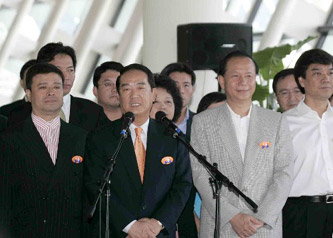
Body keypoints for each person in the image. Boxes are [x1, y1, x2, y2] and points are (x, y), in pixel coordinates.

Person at [190, 51, 294, 238]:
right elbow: (200, 175)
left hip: (263, 227)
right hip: (220, 225)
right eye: (235, 76)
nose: (243, 82)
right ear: (222, 81)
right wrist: (233, 216)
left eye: (248, 76)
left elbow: (284, 172)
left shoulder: (276, 121)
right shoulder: (202, 122)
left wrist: (263, 217)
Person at [84, 63, 192, 238]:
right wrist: (131, 226)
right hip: (118, 233)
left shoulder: (172, 137)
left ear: (153, 94)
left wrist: (157, 224)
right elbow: (95, 186)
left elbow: (182, 185)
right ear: (119, 96)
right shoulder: (100, 138)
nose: (134, 95)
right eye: (126, 89)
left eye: (141, 87)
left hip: (159, 233)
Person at [0, 63, 87, 238]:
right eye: (42, 87)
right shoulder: (9, 139)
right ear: (28, 94)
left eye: (56, 87)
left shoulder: (83, 138)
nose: (51, 92)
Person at [283, 49, 333, 238]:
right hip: (301, 212)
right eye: (317, 73)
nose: (326, 78)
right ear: (301, 81)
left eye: (330, 72)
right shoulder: (284, 123)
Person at [7, 42, 108, 131]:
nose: (66, 77)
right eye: (58, 70)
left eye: (70, 70)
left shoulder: (93, 112)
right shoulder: (14, 115)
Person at [161, 62, 197, 237]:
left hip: (191, 205)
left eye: (186, 85)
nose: (181, 90)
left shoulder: (201, 124)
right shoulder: (153, 126)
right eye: (175, 85)